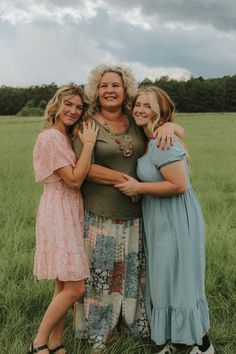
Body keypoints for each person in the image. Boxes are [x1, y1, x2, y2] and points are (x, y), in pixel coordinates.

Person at [72, 65, 184, 353]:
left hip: (136, 215)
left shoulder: (135, 120)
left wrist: (172, 126)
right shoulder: (87, 123)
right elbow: (85, 168)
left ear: (125, 91)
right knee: (101, 274)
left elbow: (165, 127)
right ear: (97, 90)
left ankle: (131, 325)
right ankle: (99, 332)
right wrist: (125, 180)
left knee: (131, 275)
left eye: (116, 86)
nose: (110, 90)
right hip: (101, 213)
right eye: (104, 85)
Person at [115, 87, 215, 354]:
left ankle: (201, 343)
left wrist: (139, 188)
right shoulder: (149, 137)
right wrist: (172, 126)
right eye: (137, 104)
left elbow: (179, 185)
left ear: (159, 111)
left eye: (147, 105)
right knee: (163, 279)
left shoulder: (162, 141)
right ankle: (171, 338)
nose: (139, 109)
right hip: (159, 220)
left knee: (182, 278)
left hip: (177, 219)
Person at [29, 83, 98, 354]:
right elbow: (73, 180)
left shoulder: (64, 136)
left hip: (68, 210)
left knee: (63, 283)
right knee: (76, 287)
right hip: (58, 209)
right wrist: (90, 145)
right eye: (68, 104)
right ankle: (38, 343)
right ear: (57, 104)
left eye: (78, 107)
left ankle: (56, 344)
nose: (73, 110)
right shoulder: (51, 138)